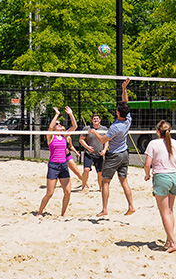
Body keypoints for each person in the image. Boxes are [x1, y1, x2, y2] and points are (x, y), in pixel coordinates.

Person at [88, 78, 135, 216]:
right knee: (124, 180)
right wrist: (124, 88)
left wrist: (94, 132)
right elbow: (125, 102)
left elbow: (103, 139)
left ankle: (104, 209)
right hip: (124, 154)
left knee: (105, 182)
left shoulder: (115, 127)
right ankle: (131, 206)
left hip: (114, 155)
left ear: (118, 112)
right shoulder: (128, 119)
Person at [144, 120, 176, 253]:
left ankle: (172, 242)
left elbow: (147, 163)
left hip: (161, 177)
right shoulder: (175, 143)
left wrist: (147, 175)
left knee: (164, 213)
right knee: (170, 211)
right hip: (174, 177)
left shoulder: (153, 144)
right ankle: (168, 240)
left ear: (158, 131)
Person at [37, 106, 77, 217]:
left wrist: (71, 114)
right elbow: (50, 127)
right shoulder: (51, 136)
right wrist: (57, 114)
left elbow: (75, 126)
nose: (60, 125)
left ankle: (63, 214)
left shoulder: (64, 136)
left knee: (68, 192)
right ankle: (39, 212)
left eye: (60, 124)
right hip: (53, 166)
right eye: (57, 124)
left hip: (63, 165)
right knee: (50, 193)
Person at [80, 113, 108, 192]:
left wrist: (104, 150)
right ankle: (84, 186)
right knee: (86, 170)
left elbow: (106, 141)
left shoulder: (103, 129)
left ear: (100, 120)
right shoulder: (87, 128)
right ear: (92, 120)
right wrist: (87, 147)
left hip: (99, 153)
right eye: (94, 119)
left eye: (97, 119)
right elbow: (81, 139)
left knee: (100, 173)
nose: (95, 120)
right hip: (89, 153)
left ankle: (101, 188)